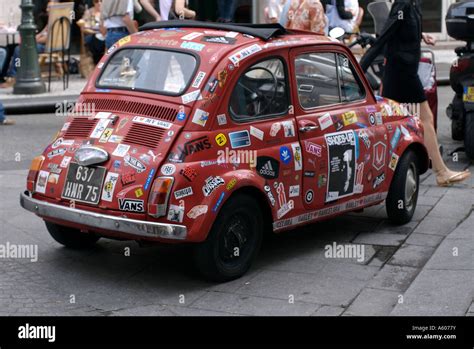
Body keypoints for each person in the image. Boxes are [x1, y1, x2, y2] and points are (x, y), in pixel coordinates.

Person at [361, 0, 470, 187]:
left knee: (391, 120)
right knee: (421, 118)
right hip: (401, 72)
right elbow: (385, 36)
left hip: (406, 71)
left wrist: (422, 35)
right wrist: (358, 68)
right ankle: (440, 172)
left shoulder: (412, 4)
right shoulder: (402, 5)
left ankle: (381, 170)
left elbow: (406, 26)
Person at [79, 0, 106, 64]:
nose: (99, 3)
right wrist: (94, 32)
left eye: (101, 1)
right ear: (93, 2)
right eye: (96, 1)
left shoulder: (106, 12)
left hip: (104, 35)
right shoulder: (89, 12)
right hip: (92, 35)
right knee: (93, 40)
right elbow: (83, 27)